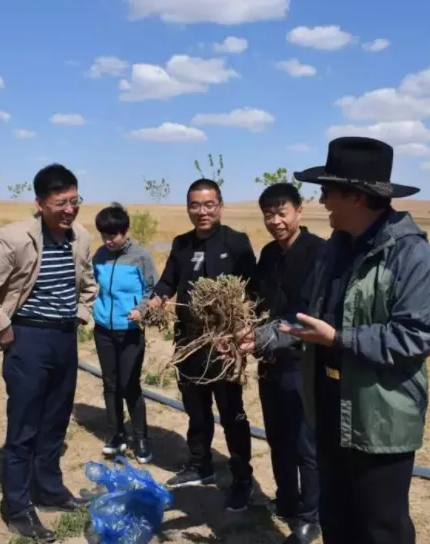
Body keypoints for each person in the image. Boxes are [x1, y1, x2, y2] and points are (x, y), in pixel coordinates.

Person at [274, 137, 430, 544]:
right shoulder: (334, 248)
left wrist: (338, 338)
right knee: (337, 520)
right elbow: (305, 315)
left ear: (356, 196)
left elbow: (416, 335)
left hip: (379, 418)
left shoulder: (410, 254)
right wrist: (261, 336)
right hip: (329, 407)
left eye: (328, 191)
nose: (321, 200)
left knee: (381, 527)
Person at [0, 163, 98, 541]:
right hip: (28, 338)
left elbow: (87, 284)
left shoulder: (80, 236)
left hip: (64, 338)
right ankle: (17, 506)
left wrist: (81, 314)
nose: (69, 210)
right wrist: (1, 326)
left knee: (56, 420)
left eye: (74, 201)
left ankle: (49, 489)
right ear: (40, 203)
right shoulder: (14, 238)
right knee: (25, 426)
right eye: (60, 203)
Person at [147, 178, 256, 512]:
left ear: (220, 206)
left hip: (223, 346)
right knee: (195, 408)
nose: (202, 211)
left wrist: (241, 330)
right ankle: (200, 464)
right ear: (188, 208)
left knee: (232, 413)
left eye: (209, 205)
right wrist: (155, 300)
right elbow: (168, 281)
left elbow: (253, 290)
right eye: (195, 205)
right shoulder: (181, 244)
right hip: (189, 342)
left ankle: (242, 477)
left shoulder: (236, 243)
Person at [247, 183, 325, 543]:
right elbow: (257, 303)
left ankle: (311, 515)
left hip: (303, 362)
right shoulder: (267, 254)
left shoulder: (318, 252)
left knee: (306, 443)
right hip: (269, 360)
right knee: (277, 436)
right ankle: (287, 500)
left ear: (299, 211)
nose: (275, 221)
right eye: (269, 214)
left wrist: (261, 336)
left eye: (282, 213)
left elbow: (309, 313)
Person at [91, 203, 157, 463]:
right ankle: (116, 434)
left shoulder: (141, 256)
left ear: (125, 231)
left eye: (113, 235)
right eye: (104, 235)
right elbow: (90, 285)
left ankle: (141, 438)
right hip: (103, 330)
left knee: (130, 384)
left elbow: (153, 289)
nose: (108, 240)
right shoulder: (99, 256)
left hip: (130, 331)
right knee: (110, 384)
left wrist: (141, 309)